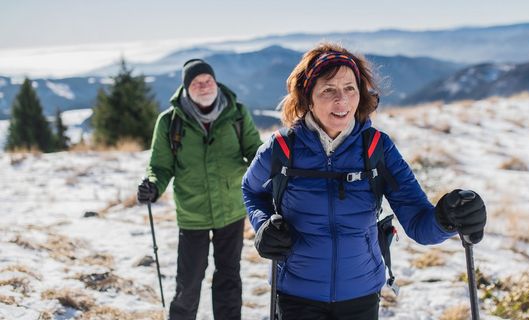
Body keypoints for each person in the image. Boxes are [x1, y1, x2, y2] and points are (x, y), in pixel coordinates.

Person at [241, 43, 486, 320]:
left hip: (360, 295)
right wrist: (263, 226)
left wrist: (448, 218)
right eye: (328, 90)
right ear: (309, 98)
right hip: (296, 294)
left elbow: (419, 224)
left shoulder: (377, 149)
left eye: (350, 88)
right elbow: (251, 190)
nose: (341, 101)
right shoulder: (282, 148)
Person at [137, 58, 262, 320]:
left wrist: (272, 174)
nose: (204, 86)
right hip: (193, 212)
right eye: (196, 82)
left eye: (208, 80)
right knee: (189, 281)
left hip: (231, 209)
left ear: (215, 82)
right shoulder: (170, 122)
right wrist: (153, 185)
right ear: (186, 88)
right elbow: (160, 166)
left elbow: (254, 153)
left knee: (229, 277)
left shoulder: (237, 113)